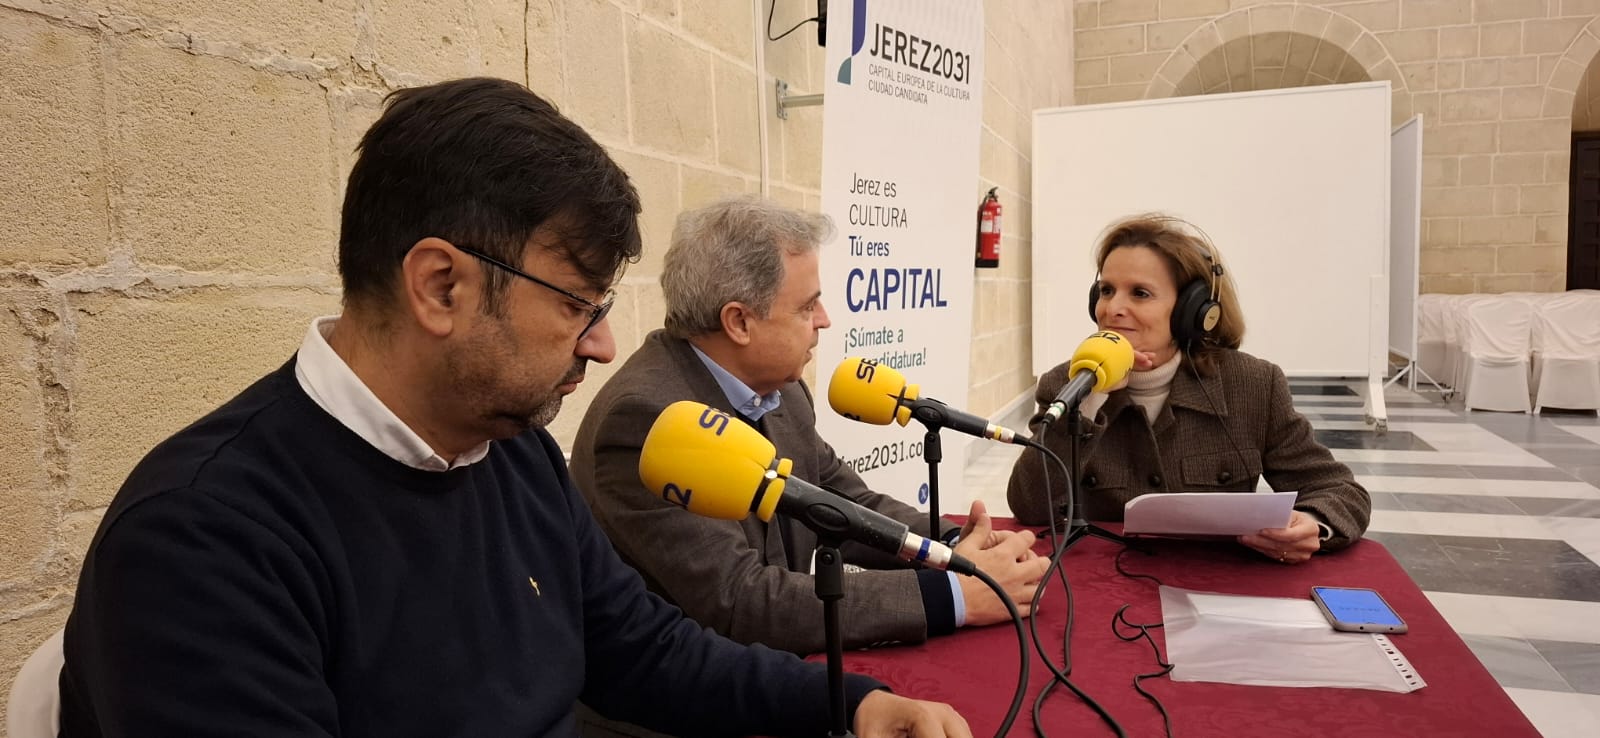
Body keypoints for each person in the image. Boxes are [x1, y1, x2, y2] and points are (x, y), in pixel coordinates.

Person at [57, 78, 969, 738]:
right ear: (441, 286)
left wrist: (849, 705)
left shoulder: (512, 451)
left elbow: (642, 651)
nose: (603, 346)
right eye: (577, 306)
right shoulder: (199, 540)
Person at [571, 196, 1050, 655]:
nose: (824, 320)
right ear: (739, 322)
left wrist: (955, 548)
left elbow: (846, 504)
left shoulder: (782, 390)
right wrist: (953, 596)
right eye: (807, 307)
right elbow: (741, 600)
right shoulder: (644, 421)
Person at [1006, 214, 1370, 562]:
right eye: (1106, 290)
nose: (1112, 308)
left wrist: (1312, 524)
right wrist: (1091, 398)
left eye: (1140, 293)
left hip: (1219, 581)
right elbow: (1030, 506)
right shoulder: (1068, 383)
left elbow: (1339, 490)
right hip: (1104, 585)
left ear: (1193, 311)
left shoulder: (1255, 385)